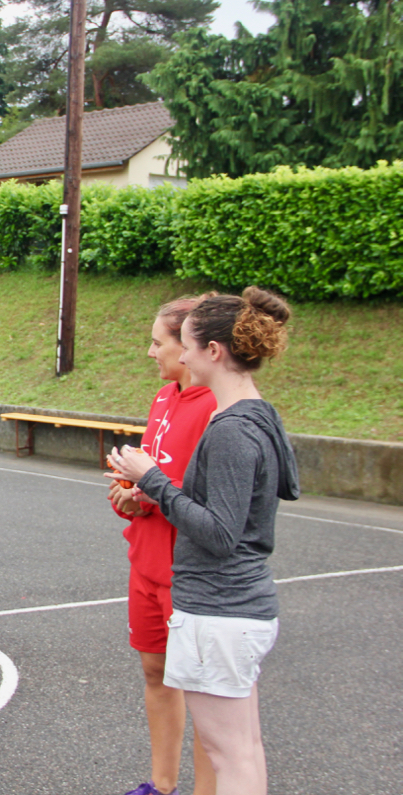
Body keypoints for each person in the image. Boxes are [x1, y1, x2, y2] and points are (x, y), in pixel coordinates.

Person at [109, 287, 299, 795]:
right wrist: (145, 487)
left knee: (228, 754)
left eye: (187, 345)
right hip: (231, 605)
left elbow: (220, 531)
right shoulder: (255, 416)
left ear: (213, 351)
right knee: (241, 751)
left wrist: (153, 482)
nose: (182, 358)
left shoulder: (232, 426)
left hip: (221, 605)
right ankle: (164, 783)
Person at [109, 298, 217, 795]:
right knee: (156, 672)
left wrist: (149, 491)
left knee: (203, 694)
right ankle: (161, 784)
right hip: (146, 561)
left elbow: (207, 498)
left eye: (158, 343)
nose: (150, 352)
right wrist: (127, 495)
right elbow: (153, 478)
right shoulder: (162, 398)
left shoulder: (217, 408)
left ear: (190, 346)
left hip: (188, 572)